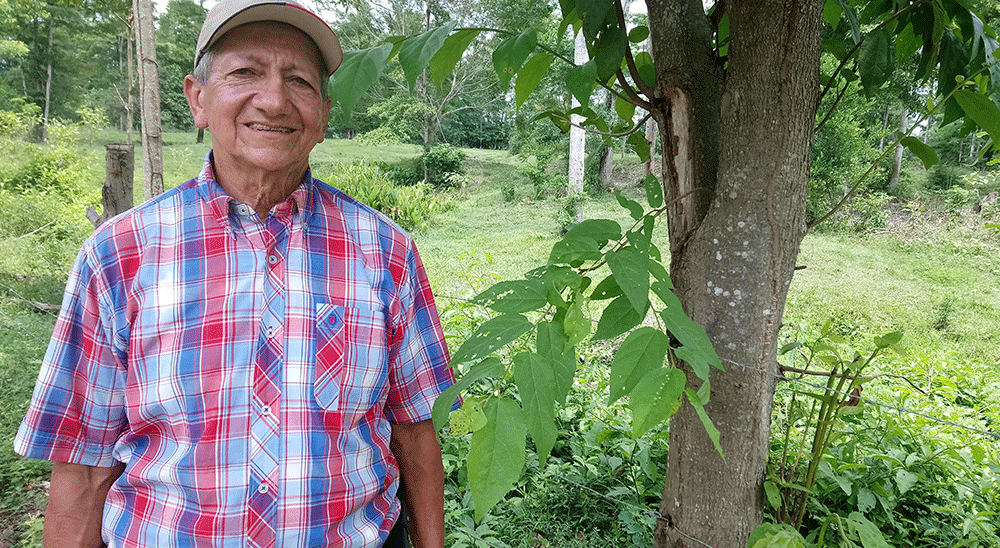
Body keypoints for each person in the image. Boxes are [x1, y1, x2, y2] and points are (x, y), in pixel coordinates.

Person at [13, 0, 455, 546]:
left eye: (299, 80)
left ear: (323, 114)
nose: (273, 100)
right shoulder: (119, 253)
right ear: (197, 100)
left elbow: (415, 426)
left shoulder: (386, 250)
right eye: (245, 72)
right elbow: (83, 460)